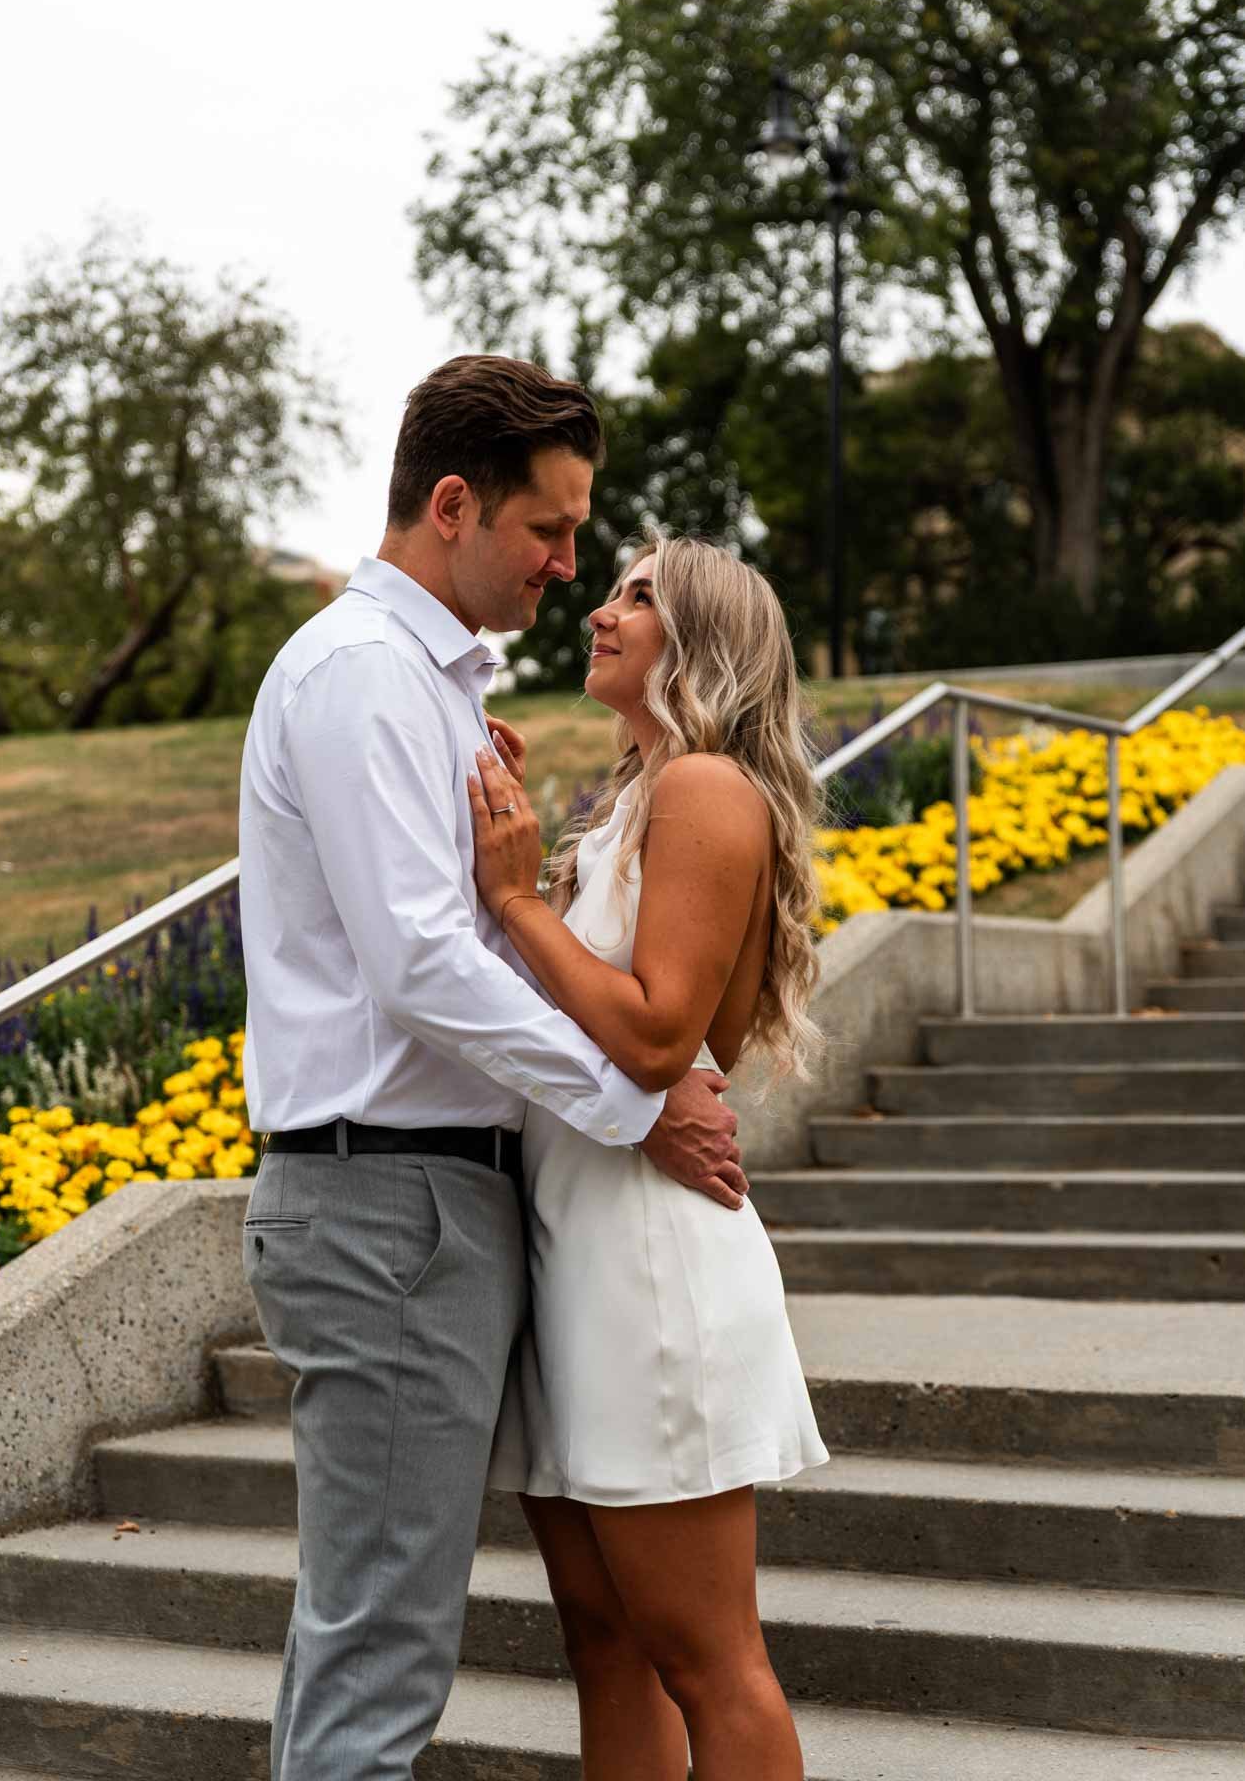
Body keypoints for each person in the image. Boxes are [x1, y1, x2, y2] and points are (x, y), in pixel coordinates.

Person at [236, 354, 745, 1781]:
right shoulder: (361, 677)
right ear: (451, 505)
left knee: (362, 1641)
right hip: (390, 1207)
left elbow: (450, 935)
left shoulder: (421, 686)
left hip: (426, 1203)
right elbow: (416, 965)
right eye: (549, 530)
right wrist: (633, 1101)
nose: (568, 566)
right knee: (379, 1659)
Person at [482, 531, 830, 1781]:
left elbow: (655, 1034)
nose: (602, 609)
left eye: (638, 596)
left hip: (650, 1266)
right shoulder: (637, 800)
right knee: (603, 1643)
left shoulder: (706, 792)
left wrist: (521, 902)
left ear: (702, 641)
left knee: (702, 1652)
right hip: (573, 1251)